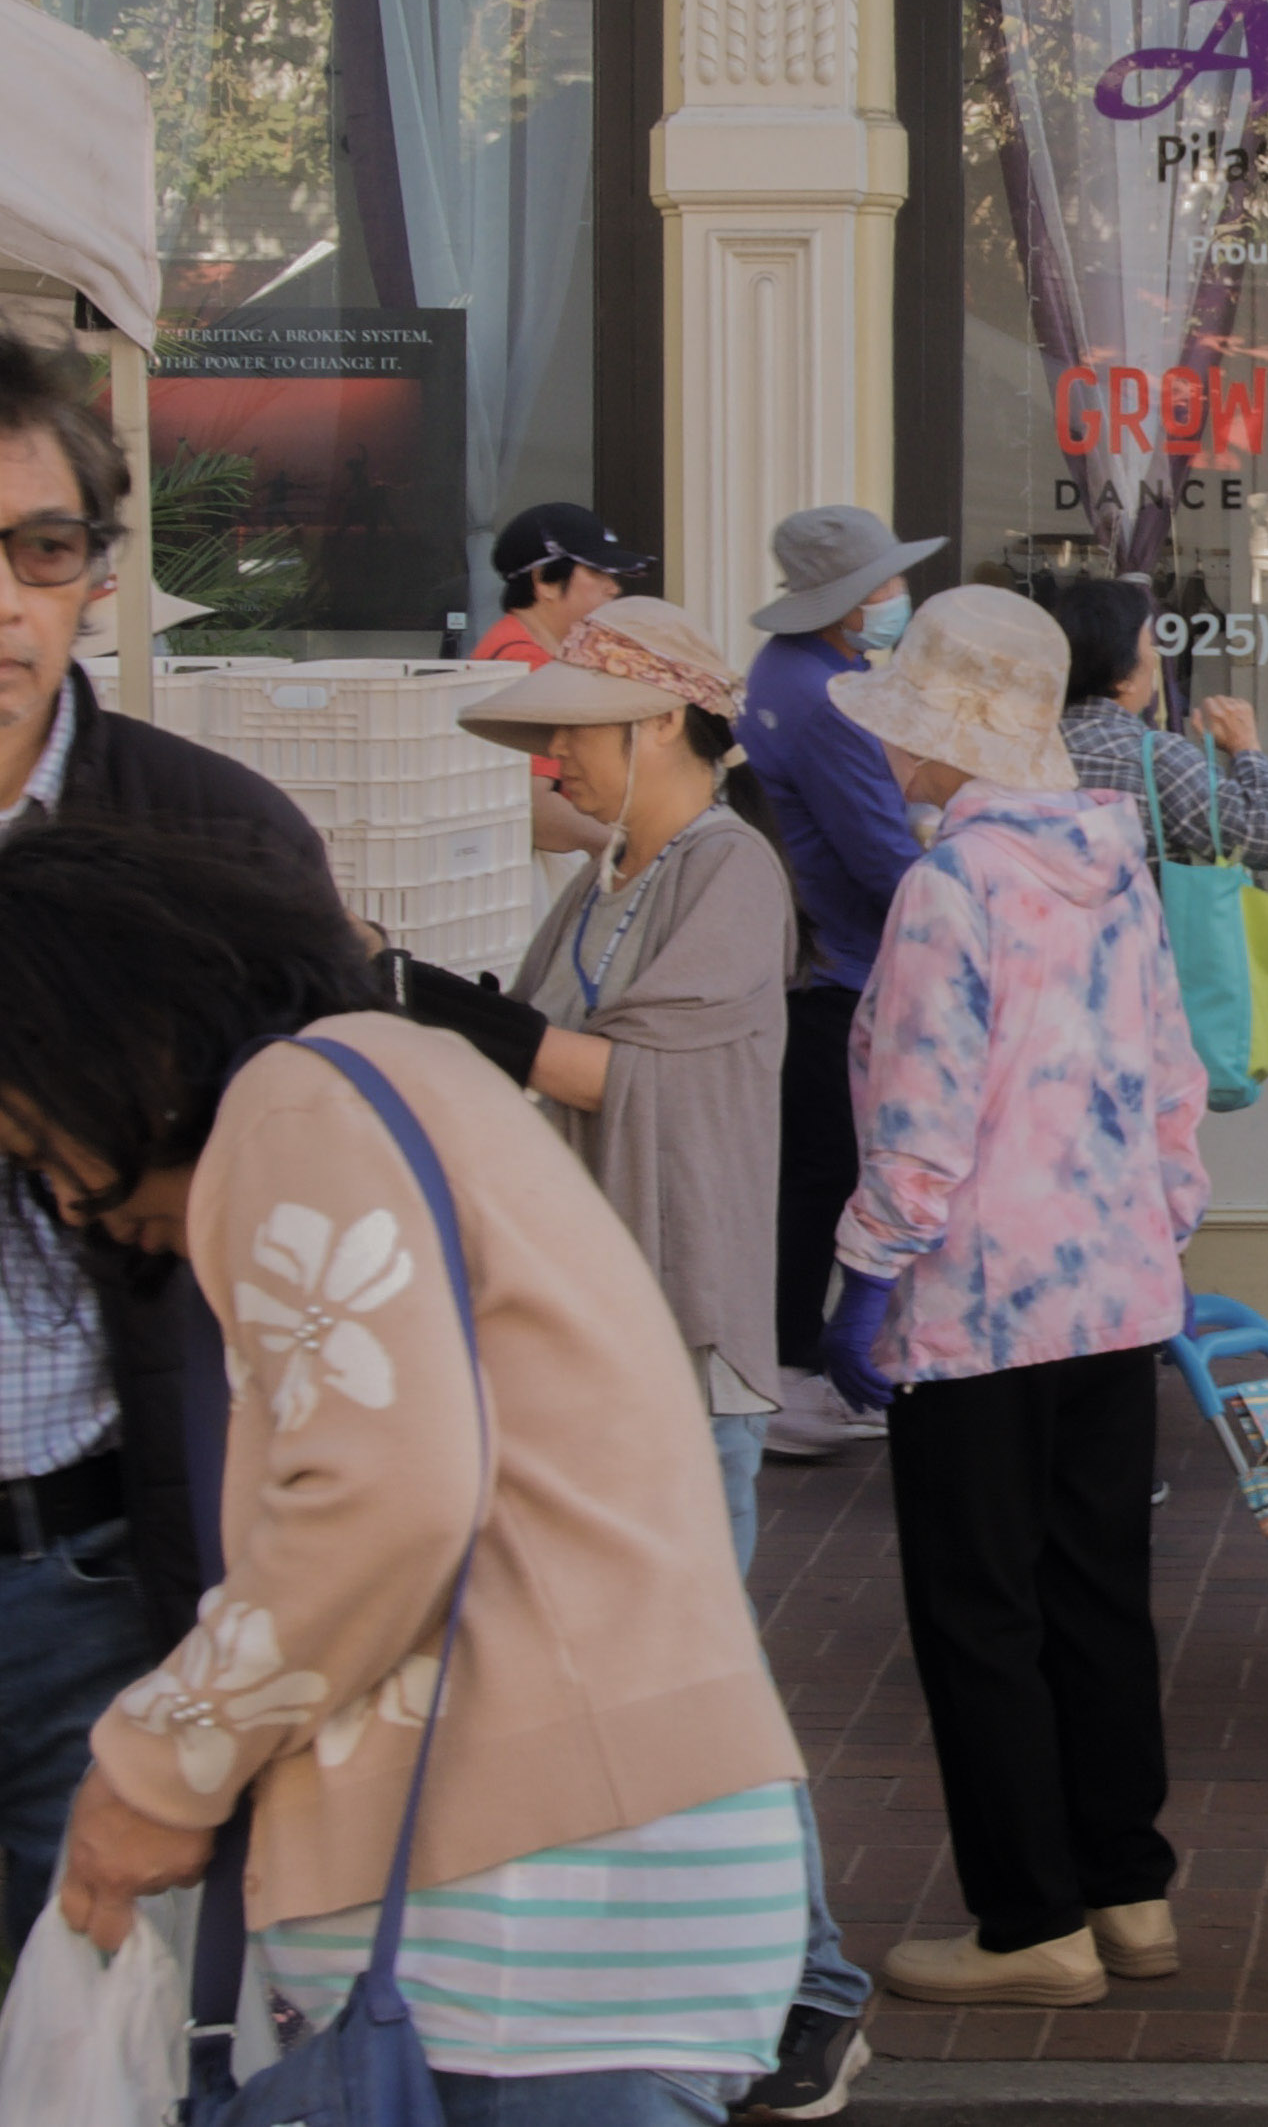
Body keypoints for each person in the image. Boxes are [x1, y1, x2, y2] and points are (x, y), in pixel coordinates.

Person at [6, 830, 808, 2125]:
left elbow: (384, 1493)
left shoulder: (297, 1104)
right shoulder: (395, 1077)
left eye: (38, 1142)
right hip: (582, 1901)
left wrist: (156, 1766)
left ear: (108, 1036)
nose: (69, 1204)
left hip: (527, 1936)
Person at [398, 599, 875, 2119]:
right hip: (598, 1331)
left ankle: (816, 1986)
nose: (553, 759)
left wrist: (420, 1000)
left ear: (659, 721)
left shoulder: (729, 868)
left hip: (681, 1326)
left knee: (701, 1681)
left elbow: (604, 1067)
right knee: (668, 1678)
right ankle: (756, 1981)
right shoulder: (617, 875)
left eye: (572, 729)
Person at [819, 584, 1209, 2010]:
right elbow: (1176, 1087)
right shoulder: (1117, 864)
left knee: (979, 1608)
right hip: (1115, 1294)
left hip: (977, 1306)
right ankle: (1126, 1886)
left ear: (951, 731)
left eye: (910, 726)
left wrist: (862, 1277)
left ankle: (1029, 1917)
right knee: (1097, 1592)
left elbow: (921, 1121)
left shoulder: (951, 887)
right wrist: (1158, 1232)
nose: (893, 753)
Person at [0, 331, 337, 1951]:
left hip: (96, 1573)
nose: (5, 596)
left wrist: (185, 1181)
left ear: (92, 575)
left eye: (41, 548)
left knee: (101, 2044)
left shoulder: (216, 840)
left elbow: (354, 1182)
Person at [739, 505, 947, 1459]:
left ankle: (793, 1365)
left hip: (828, 959)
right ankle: (797, 1372)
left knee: (817, 1171)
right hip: (851, 966)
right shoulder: (829, 698)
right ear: (843, 603)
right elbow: (879, 854)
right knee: (830, 1174)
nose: (898, 597)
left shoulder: (793, 674)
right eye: (883, 587)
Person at [1039, 573, 1268, 873]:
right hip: (1136, 918)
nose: (1156, 658)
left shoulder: (1020, 748)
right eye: (1150, 645)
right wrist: (1247, 750)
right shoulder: (1154, 758)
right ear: (1123, 676)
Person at [478, 500, 662, 870]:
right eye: (598, 572)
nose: (613, 588)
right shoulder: (524, 664)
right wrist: (634, 851)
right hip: (535, 878)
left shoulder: (536, 652)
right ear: (545, 581)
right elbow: (535, 808)